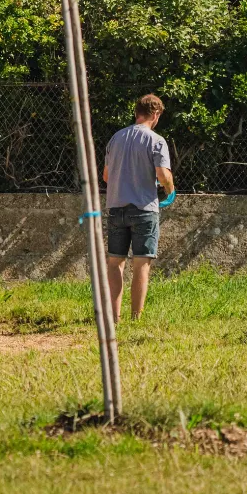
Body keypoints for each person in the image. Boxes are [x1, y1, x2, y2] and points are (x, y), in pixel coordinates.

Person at [101, 93, 174, 322]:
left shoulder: (115, 138)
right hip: (144, 209)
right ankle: (136, 318)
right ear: (156, 114)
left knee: (115, 263)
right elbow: (163, 175)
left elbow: (106, 176)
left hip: (115, 208)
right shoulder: (156, 140)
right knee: (141, 264)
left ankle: (114, 317)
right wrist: (169, 189)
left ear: (136, 113)